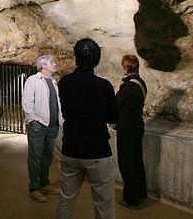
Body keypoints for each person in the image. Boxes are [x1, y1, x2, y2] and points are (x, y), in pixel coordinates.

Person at [56, 38, 117, 219]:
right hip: (97, 151)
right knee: (104, 204)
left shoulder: (65, 82)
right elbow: (113, 118)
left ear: (76, 58)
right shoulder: (103, 86)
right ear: (96, 60)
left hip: (71, 148)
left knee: (65, 200)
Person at [22, 54, 62, 203]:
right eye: (52, 62)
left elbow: (58, 104)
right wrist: (33, 121)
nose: (55, 64)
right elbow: (27, 102)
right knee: (35, 157)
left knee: (48, 156)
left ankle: (44, 183)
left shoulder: (53, 82)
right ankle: (34, 187)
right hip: (38, 126)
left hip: (52, 126)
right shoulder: (33, 80)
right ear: (43, 66)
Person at [115, 54, 148, 209]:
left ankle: (131, 199)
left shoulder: (127, 87)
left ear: (126, 68)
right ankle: (141, 193)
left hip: (126, 129)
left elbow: (115, 105)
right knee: (137, 161)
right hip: (137, 127)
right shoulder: (142, 84)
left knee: (127, 164)